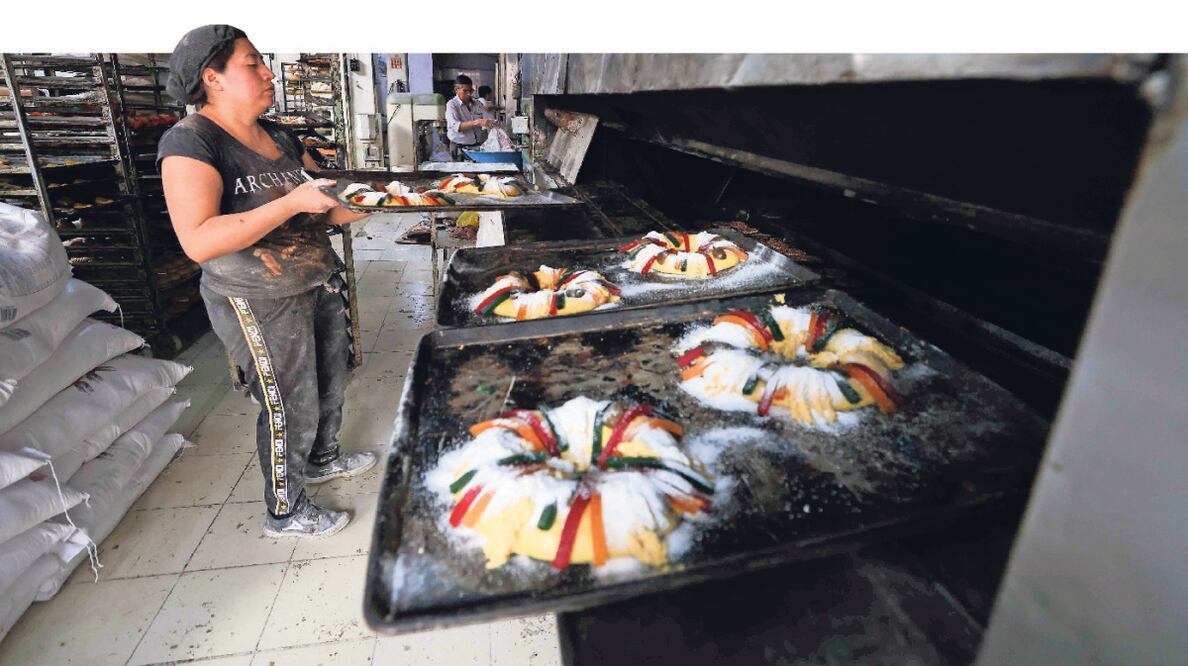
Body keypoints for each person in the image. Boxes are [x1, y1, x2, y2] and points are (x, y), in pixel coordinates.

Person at [158, 25, 376, 539]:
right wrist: (290, 203)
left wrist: (378, 200)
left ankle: (323, 457)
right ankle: (285, 509)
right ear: (212, 78)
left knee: (331, 379)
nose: (268, 73)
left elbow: (325, 206)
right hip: (256, 296)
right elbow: (198, 240)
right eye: (252, 64)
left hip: (315, 278)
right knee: (288, 401)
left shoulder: (279, 135)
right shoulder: (191, 142)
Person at [445, 74, 495, 160]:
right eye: (465, 91)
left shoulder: (477, 103)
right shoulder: (452, 105)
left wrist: (492, 123)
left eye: (470, 91)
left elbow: (488, 117)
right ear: (456, 90)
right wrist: (477, 122)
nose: (469, 94)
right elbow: (457, 127)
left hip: (475, 146)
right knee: (460, 168)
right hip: (458, 147)